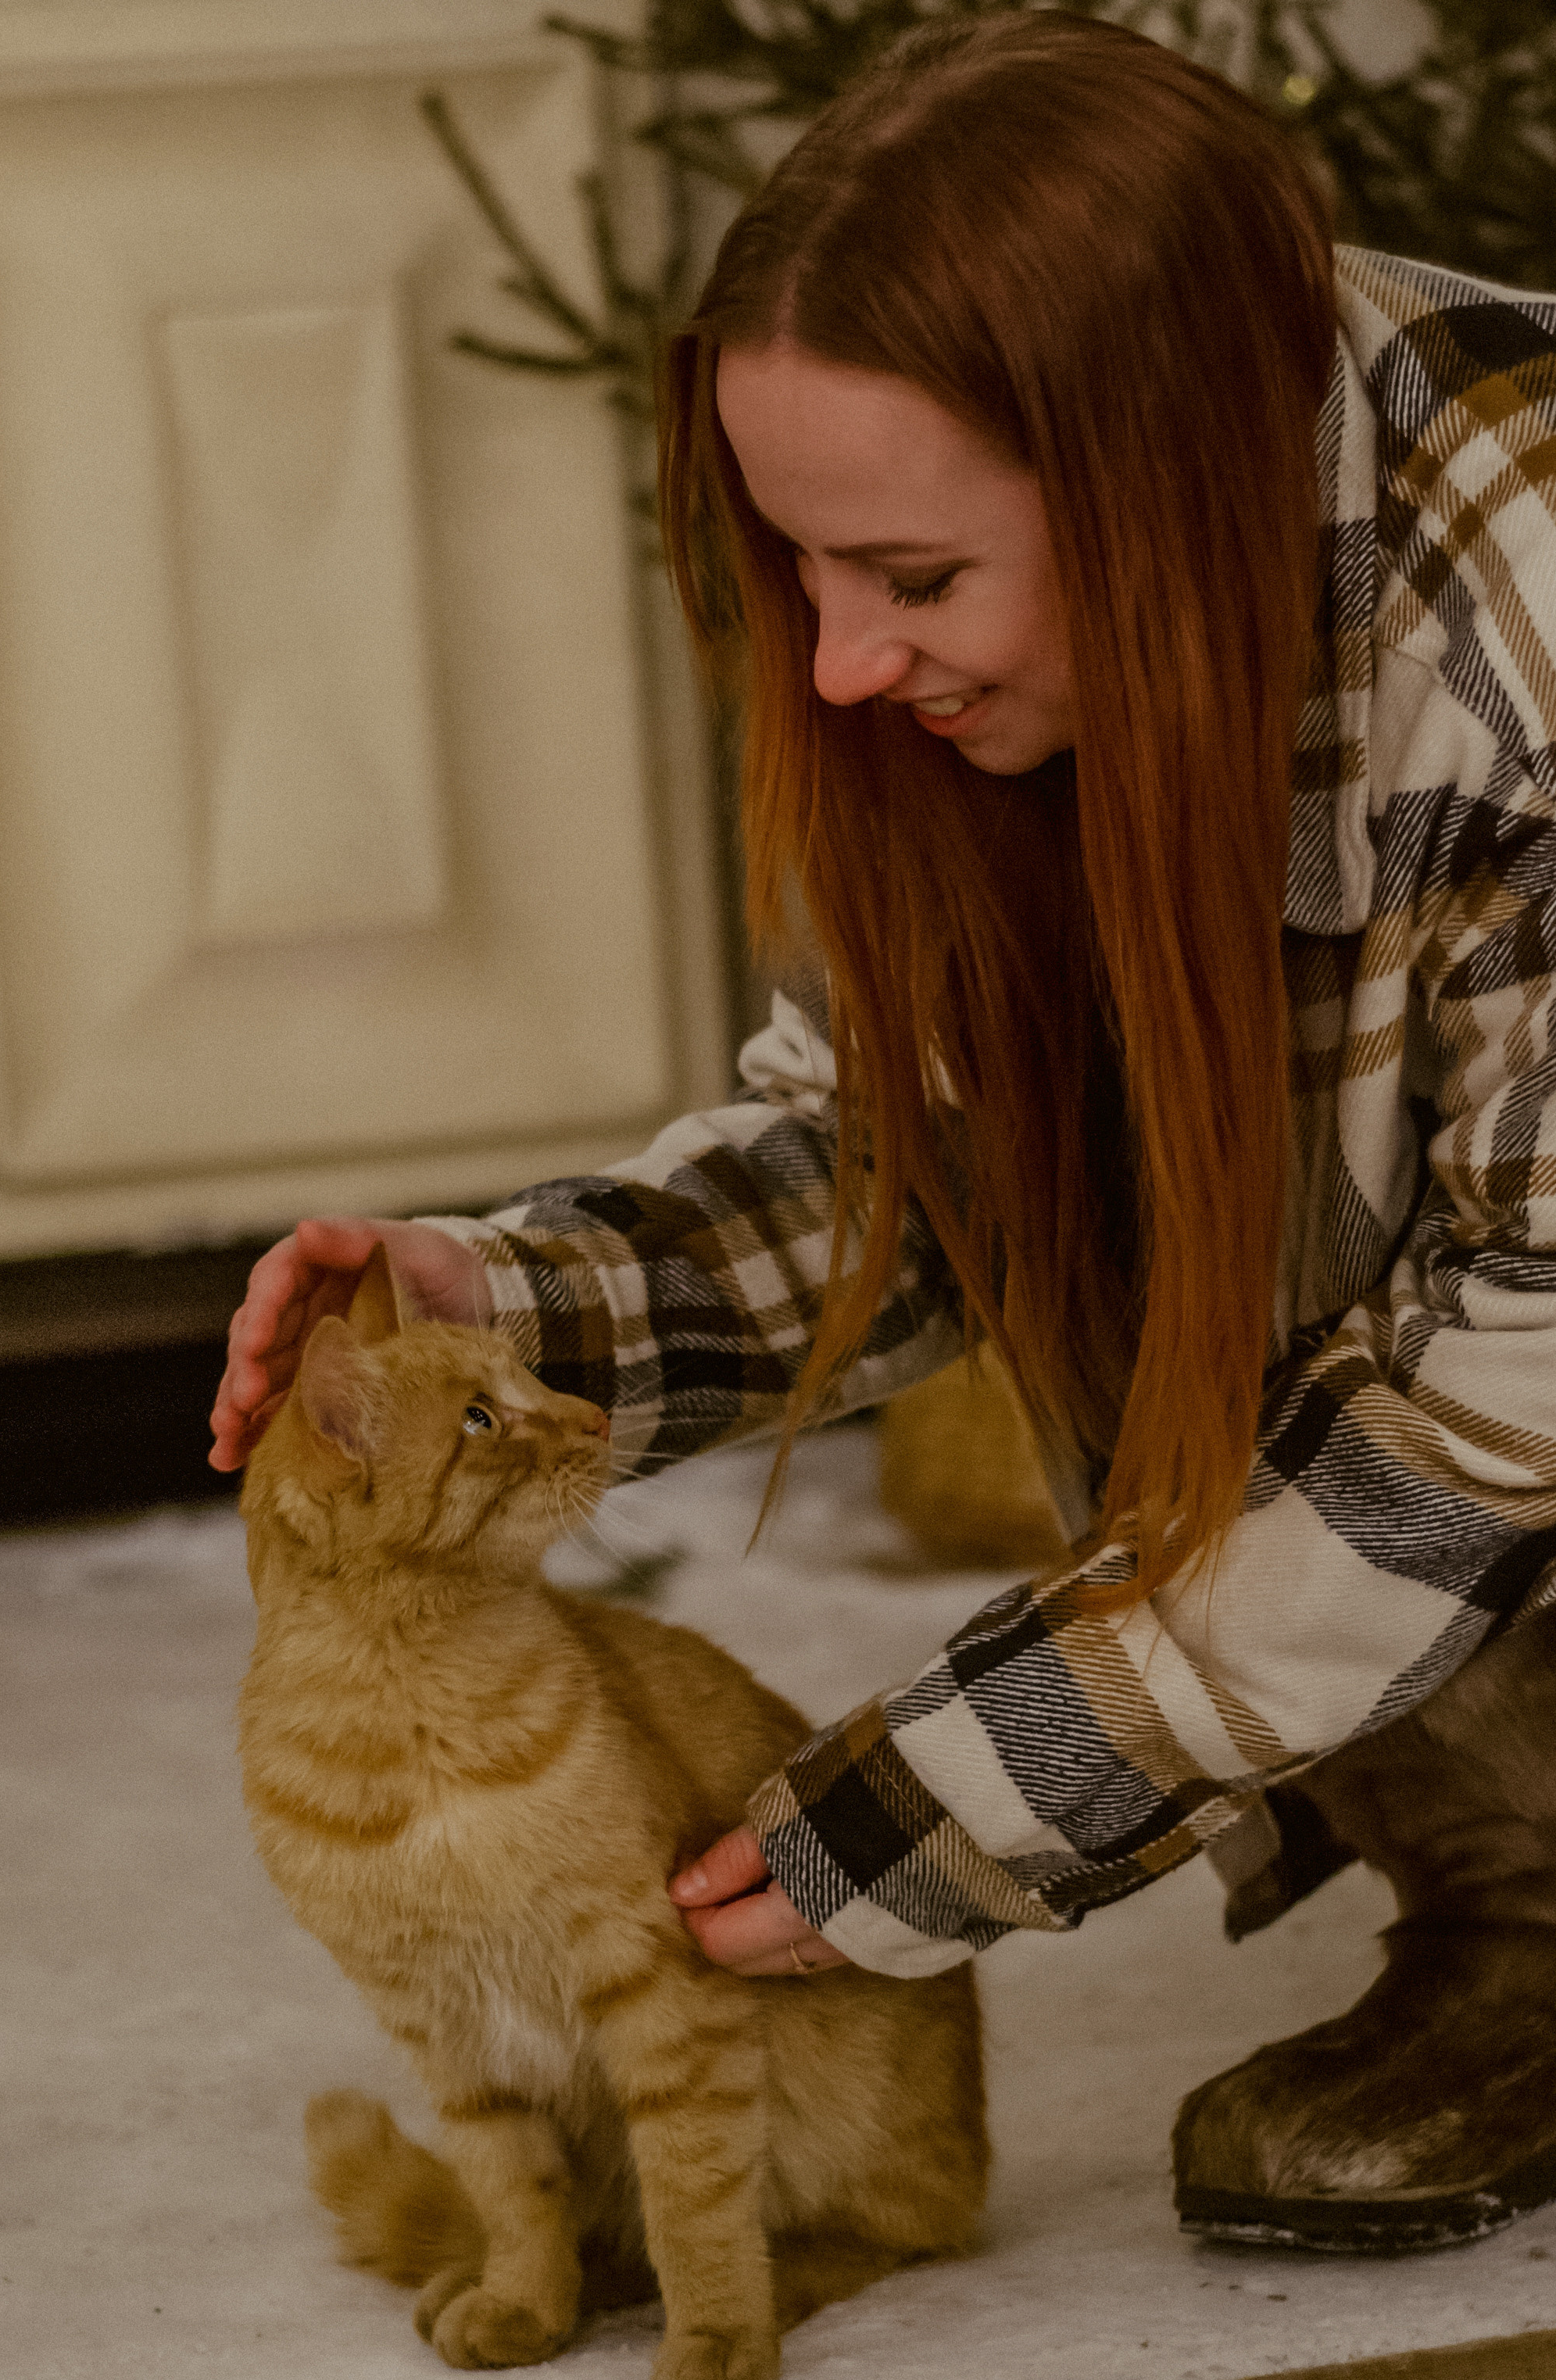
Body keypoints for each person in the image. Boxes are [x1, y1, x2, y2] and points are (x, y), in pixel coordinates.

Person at [211, 14, 1556, 2255]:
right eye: (804, 573)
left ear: (1170, 498)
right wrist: (518, 1307)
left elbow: (1511, 1385)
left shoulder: (1527, 668)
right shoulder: (1107, 605)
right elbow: (910, 1148)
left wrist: (953, 1807)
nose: (832, 666)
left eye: (912, 585)